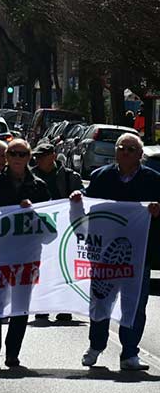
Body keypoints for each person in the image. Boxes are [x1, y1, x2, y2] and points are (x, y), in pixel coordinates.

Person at [74, 133, 160, 371]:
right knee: (101, 300)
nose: (125, 152)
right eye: (122, 148)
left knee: (134, 305)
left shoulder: (154, 180)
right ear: (115, 152)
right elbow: (88, 208)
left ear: (140, 155)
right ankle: (96, 346)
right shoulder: (101, 177)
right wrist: (78, 199)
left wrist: (156, 211)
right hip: (104, 255)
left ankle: (130, 353)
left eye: (131, 150)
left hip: (138, 256)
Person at [0, 139, 51, 367]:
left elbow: (50, 228)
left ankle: (12, 353)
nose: (18, 158)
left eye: (23, 154)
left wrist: (34, 212)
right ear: (6, 157)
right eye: (13, 154)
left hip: (26, 257)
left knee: (20, 307)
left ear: (29, 158)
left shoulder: (39, 187)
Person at [30, 142, 83, 322]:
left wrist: (78, 196)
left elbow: (83, 197)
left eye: (42, 156)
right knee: (42, 268)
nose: (38, 160)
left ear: (53, 156)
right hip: (40, 230)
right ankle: (42, 306)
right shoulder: (31, 176)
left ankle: (64, 307)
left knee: (64, 269)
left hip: (65, 230)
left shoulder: (70, 177)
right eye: (36, 157)